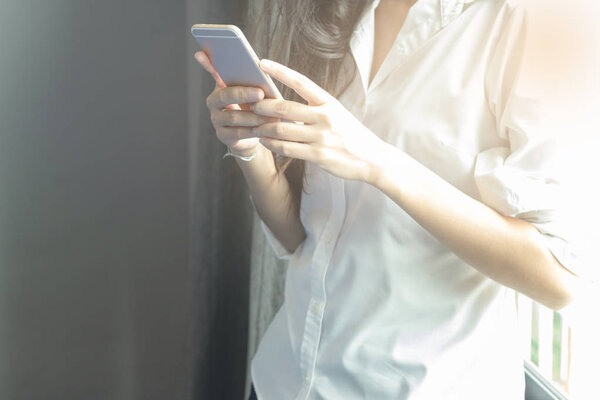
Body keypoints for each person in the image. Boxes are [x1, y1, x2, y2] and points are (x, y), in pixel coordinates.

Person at [195, 0, 593, 398]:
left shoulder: (521, 20)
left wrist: (378, 160)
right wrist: (249, 148)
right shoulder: (342, 12)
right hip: (283, 381)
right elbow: (300, 239)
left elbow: (559, 277)